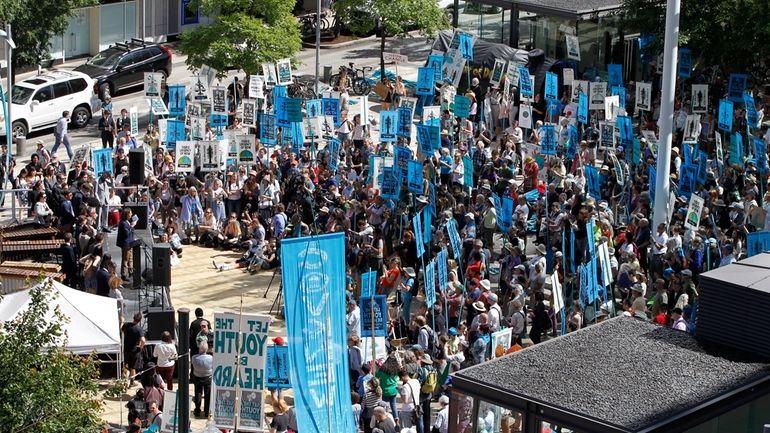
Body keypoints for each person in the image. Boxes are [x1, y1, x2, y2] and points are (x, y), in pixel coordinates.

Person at [122, 312, 145, 386]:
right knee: (133, 367)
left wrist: (122, 321)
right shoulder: (139, 329)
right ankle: (131, 382)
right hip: (134, 350)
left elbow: (121, 330)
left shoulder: (126, 325)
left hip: (126, 349)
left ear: (133, 318)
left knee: (126, 366)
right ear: (140, 320)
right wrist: (141, 347)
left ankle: (125, 380)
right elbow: (143, 340)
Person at [116, 208, 136, 281]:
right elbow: (126, 234)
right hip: (125, 244)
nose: (131, 214)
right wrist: (132, 226)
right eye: (130, 213)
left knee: (130, 258)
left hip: (129, 243)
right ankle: (123, 275)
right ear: (126, 214)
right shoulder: (123, 223)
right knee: (125, 259)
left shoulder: (126, 221)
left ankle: (131, 271)